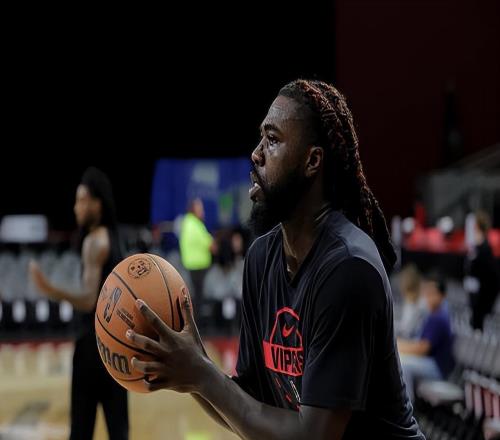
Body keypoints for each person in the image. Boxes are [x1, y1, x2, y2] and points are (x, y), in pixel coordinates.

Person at [125, 79, 424, 439]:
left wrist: (201, 373)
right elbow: (249, 402)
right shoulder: (261, 257)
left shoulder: (347, 268)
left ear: (312, 161)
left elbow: (314, 436)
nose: (256, 153)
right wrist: (192, 364)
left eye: (272, 139)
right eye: (260, 139)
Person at [30, 167, 128, 440]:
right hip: (115, 350)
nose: (76, 207)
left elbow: (88, 300)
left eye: (82, 200)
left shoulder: (94, 242)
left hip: (90, 349)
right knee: (119, 432)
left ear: (97, 203)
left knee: (80, 432)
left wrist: (51, 289)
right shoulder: (114, 238)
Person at [398, 273, 455, 401]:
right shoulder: (433, 313)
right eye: (427, 293)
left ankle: (407, 406)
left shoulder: (440, 317)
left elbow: (423, 349)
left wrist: (398, 347)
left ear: (442, 295)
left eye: (432, 294)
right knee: (400, 359)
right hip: (429, 362)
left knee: (402, 363)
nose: (428, 297)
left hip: (437, 367)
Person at [464, 211, 499, 330]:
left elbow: (491, 276)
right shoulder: (475, 247)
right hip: (474, 295)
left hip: (481, 298)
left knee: (478, 325)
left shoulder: (485, 249)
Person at [179, 198, 214, 306]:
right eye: (200, 209)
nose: (202, 212)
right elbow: (211, 246)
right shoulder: (195, 224)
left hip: (191, 265)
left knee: (194, 298)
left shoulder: (187, 222)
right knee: (198, 300)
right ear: (193, 210)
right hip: (198, 266)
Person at [396, 264, 427, 339]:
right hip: (411, 339)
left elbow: (406, 330)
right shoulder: (410, 300)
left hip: (414, 341)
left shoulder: (421, 304)